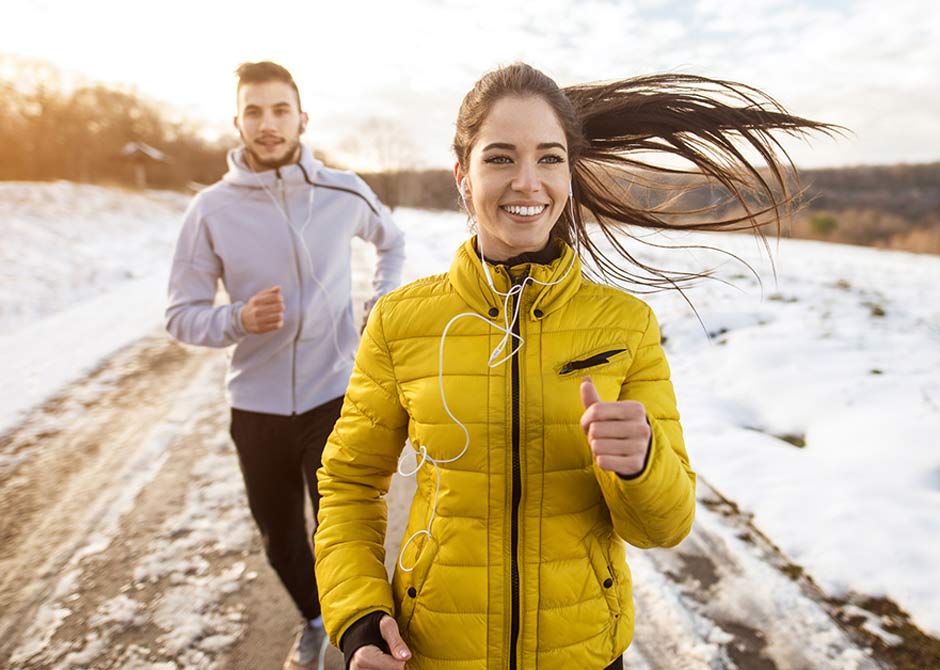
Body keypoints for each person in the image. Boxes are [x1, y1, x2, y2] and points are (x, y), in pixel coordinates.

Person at [313, 63, 836, 670]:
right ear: (463, 175)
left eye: (550, 158)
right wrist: (357, 619)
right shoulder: (402, 320)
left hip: (583, 653)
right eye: (501, 158)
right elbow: (349, 484)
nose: (527, 182)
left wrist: (641, 464)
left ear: (570, 173)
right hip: (434, 650)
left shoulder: (625, 325)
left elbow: (664, 528)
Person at [164, 61, 405, 670]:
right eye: (253, 111)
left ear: (302, 117)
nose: (267, 124)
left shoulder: (342, 190)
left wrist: (380, 299)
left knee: (342, 528)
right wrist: (237, 320)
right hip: (257, 406)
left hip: (333, 394)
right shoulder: (211, 210)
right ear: (237, 121)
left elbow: (392, 240)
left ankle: (361, 636)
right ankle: (314, 616)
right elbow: (180, 314)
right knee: (280, 538)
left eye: (279, 110)